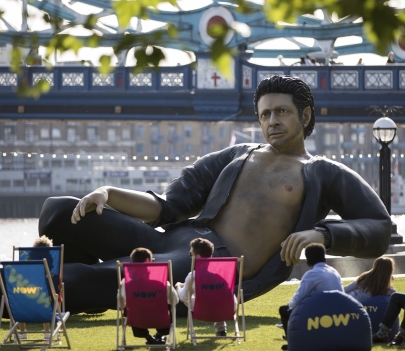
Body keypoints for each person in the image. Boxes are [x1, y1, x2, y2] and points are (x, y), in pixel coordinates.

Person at [36, 75, 391, 315]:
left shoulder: (323, 172)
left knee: (88, 277)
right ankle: (90, 294)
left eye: (282, 111)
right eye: (265, 114)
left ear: (305, 115)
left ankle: (61, 291)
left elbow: (379, 228)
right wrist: (107, 193)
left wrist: (322, 234)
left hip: (211, 270)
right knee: (59, 211)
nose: (272, 121)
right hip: (176, 240)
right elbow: (167, 207)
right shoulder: (236, 156)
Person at [278, 243, 343, 350]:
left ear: (308, 260)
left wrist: (289, 306)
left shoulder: (312, 274)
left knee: (284, 310)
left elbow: (299, 297)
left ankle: (292, 343)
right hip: (339, 311)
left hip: (321, 313)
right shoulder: (334, 272)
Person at [175, 238, 237, 337]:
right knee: (216, 297)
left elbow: (183, 297)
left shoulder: (193, 276)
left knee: (186, 294)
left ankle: (181, 287)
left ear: (198, 257)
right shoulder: (223, 273)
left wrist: (178, 287)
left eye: (191, 254)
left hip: (203, 309)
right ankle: (221, 330)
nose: (190, 257)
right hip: (229, 308)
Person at [119, 247, 179, 345]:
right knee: (169, 308)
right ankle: (160, 334)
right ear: (147, 261)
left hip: (136, 318)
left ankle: (149, 338)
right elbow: (175, 300)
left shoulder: (125, 283)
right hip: (160, 317)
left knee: (131, 309)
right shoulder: (161, 281)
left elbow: (120, 302)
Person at [19, 235, 53, 340]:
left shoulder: (29, 262)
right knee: (45, 300)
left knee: (20, 302)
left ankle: (23, 332)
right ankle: (47, 332)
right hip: (44, 296)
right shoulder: (50, 261)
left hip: (27, 295)